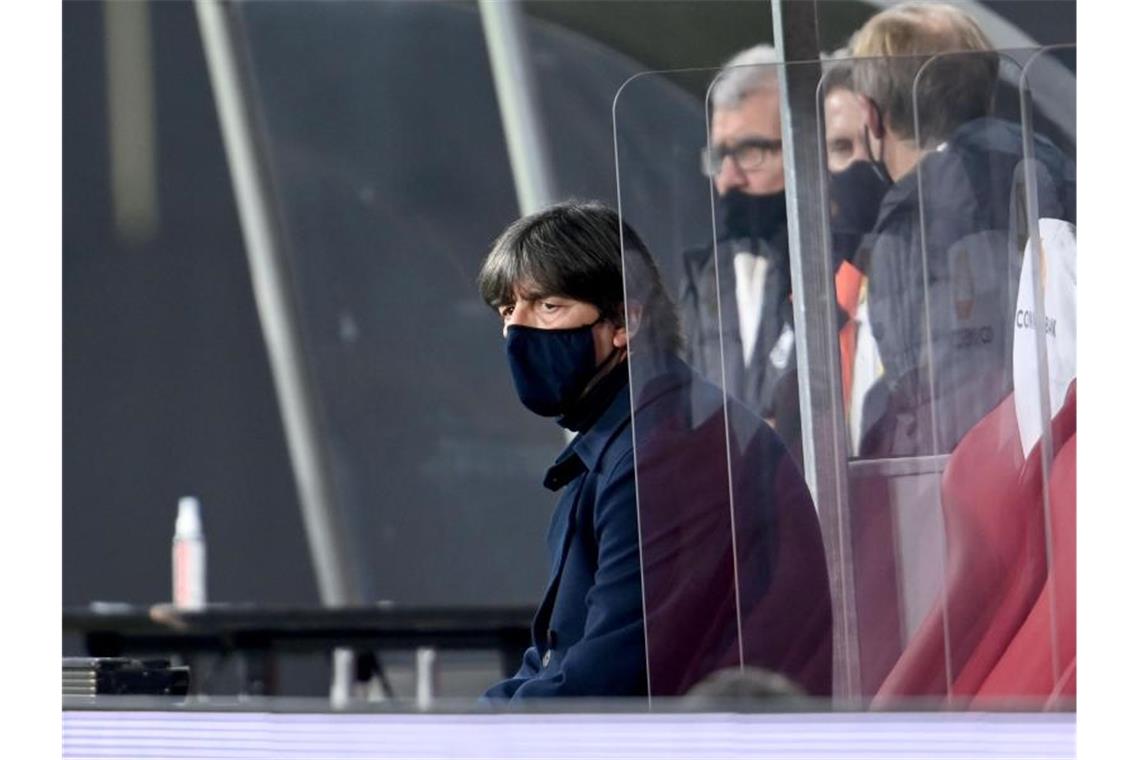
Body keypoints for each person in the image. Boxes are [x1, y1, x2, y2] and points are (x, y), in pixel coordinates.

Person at [478, 201, 832, 700]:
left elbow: (610, 675)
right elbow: (557, 657)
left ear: (625, 321)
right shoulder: (624, 438)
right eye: (507, 311)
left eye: (547, 306)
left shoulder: (671, 449)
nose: (518, 330)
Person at [847, 2, 1076, 456]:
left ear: (871, 115)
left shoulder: (922, 217)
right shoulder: (1056, 168)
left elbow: (945, 411)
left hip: (987, 493)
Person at [680, 45, 801, 460]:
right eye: (719, 157)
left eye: (750, 152)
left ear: (804, 144)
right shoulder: (701, 279)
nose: (729, 177)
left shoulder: (843, 265)